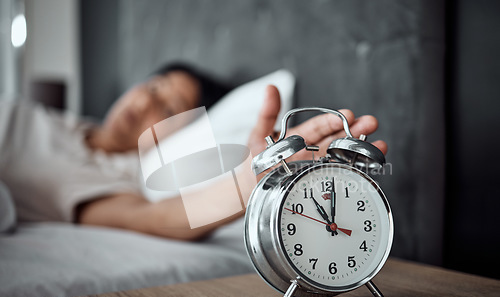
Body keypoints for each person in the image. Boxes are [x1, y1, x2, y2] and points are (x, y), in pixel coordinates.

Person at [0, 64, 387, 241]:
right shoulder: (63, 120)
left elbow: (154, 218)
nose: (143, 103)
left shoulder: (115, 179)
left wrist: (252, 179)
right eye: (153, 86)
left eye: (167, 111)